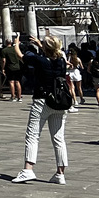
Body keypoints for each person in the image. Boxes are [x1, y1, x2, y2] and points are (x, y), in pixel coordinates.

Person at [13, 38, 69, 184]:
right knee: (58, 138)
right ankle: (60, 173)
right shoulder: (62, 60)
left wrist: (16, 43)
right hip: (59, 102)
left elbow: (20, 55)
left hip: (42, 101)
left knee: (32, 135)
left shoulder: (40, 60)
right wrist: (42, 45)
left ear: (45, 47)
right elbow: (56, 52)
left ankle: (28, 170)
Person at [4, 36, 24, 101]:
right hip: (17, 67)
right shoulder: (15, 49)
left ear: (6, 43)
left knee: (11, 82)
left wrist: (2, 68)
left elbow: (3, 60)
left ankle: (13, 96)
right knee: (17, 82)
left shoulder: (4, 50)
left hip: (9, 67)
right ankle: (19, 96)